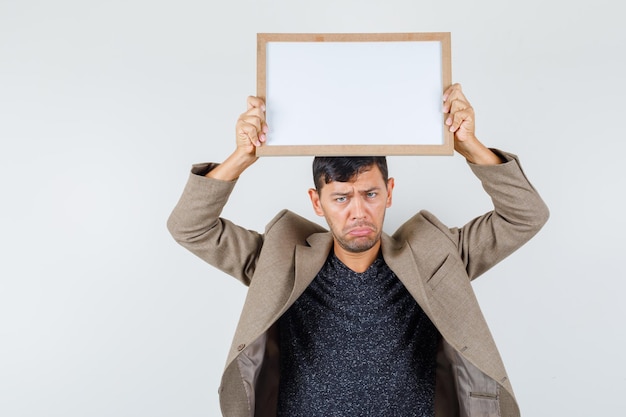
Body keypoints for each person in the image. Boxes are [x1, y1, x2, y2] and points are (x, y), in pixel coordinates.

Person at [167, 84, 549, 417]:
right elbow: (189, 227)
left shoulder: (436, 257)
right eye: (341, 198)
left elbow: (525, 216)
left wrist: (470, 147)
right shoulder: (280, 260)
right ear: (317, 203)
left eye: (370, 194)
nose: (358, 212)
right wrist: (240, 158)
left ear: (389, 192)